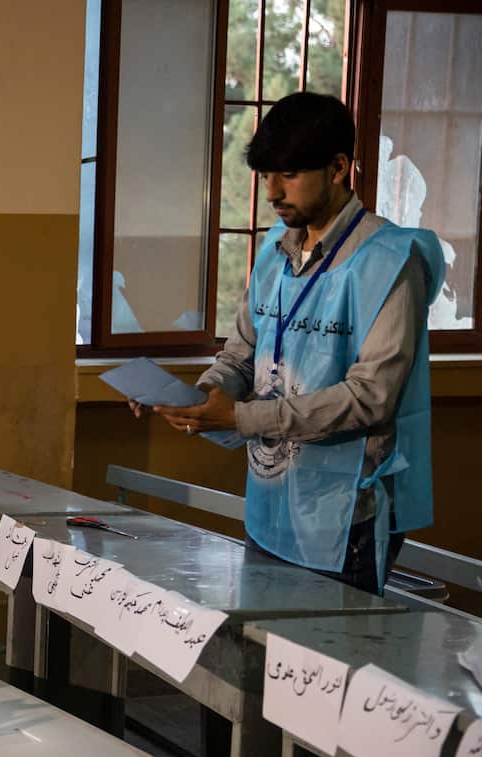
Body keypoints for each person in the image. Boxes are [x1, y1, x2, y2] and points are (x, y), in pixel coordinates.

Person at [141, 92, 444, 594]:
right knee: (263, 658)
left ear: (339, 167)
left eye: (289, 175)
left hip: (345, 518)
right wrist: (199, 398)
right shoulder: (275, 252)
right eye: (265, 176)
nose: (272, 193)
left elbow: (370, 398)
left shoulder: (389, 261)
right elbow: (240, 354)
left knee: (326, 665)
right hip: (270, 502)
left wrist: (240, 418)